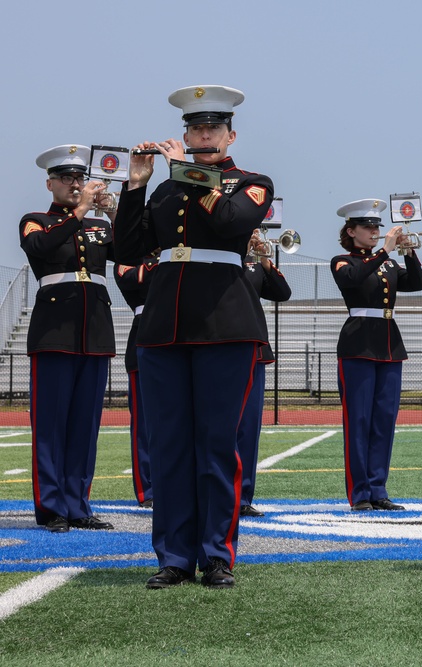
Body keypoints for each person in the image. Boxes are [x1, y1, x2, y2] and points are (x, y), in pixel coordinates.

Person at [114, 85, 275, 589]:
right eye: (194, 129)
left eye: (212, 129)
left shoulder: (251, 182)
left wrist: (184, 171)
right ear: (184, 132)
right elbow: (126, 246)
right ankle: (173, 558)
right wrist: (137, 185)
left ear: (230, 134)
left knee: (214, 443)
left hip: (224, 324)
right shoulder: (162, 188)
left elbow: (231, 222)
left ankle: (216, 555)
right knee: (170, 446)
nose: (202, 136)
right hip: (164, 325)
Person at [20, 144, 116, 533]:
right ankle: (51, 508)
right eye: (67, 178)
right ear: (50, 183)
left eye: (80, 178)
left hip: (94, 330)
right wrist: (79, 213)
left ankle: (78, 504)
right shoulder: (36, 220)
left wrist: (112, 211)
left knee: (84, 426)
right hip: (54, 332)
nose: (75, 184)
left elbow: (132, 251)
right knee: (51, 425)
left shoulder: (100, 226)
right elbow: (39, 248)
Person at [331, 199, 422, 512]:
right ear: (351, 231)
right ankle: (359, 494)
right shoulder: (342, 261)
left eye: (377, 227)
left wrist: (409, 252)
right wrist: (385, 249)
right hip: (357, 344)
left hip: (388, 344)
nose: (374, 231)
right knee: (358, 420)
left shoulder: (388, 264)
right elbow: (353, 280)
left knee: (384, 421)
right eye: (368, 227)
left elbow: (418, 282)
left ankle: (378, 489)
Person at [238, 229, 292, 517]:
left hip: (255, 349)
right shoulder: (224, 257)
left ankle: (244, 497)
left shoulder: (256, 261)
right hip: (223, 345)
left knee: (249, 429)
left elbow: (283, 293)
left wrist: (266, 261)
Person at [114, 253, 160, 508]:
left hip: (180, 334)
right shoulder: (128, 258)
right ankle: (147, 490)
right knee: (143, 424)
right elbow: (132, 278)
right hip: (143, 336)